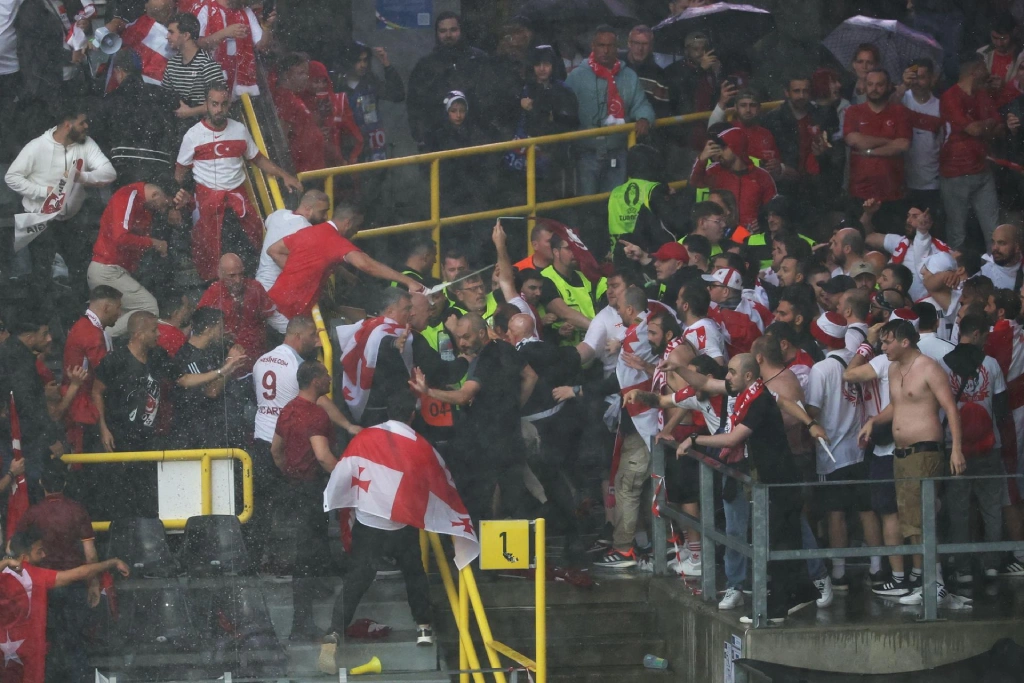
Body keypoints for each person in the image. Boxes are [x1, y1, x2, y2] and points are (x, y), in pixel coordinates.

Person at [671, 353, 820, 623]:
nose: (726, 377)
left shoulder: (759, 401)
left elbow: (733, 437)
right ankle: (803, 592)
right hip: (765, 478)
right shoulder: (741, 388)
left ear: (748, 376)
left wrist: (694, 438)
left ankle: (777, 606)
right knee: (782, 538)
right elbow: (706, 384)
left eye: (731, 373)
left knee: (778, 541)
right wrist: (679, 368)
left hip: (780, 479)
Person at [93, 311, 245, 515]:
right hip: (119, 434)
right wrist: (103, 428)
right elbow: (96, 391)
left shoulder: (158, 356)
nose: (159, 334)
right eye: (153, 330)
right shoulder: (116, 360)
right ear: (138, 333)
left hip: (148, 435)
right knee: (121, 491)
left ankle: (147, 532)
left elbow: (184, 379)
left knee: (147, 492)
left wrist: (222, 372)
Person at [858, 320, 964, 604]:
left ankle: (935, 581)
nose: (883, 347)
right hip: (900, 453)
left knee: (922, 518)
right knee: (910, 521)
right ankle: (924, 580)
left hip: (925, 451)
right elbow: (897, 404)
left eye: (888, 341)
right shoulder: (893, 369)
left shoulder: (929, 368)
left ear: (905, 342)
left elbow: (951, 408)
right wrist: (873, 421)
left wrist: (956, 451)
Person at [324, 391, 436, 647]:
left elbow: (346, 470)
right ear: (412, 414)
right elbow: (427, 482)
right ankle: (423, 627)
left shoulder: (366, 438)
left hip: (369, 522)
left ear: (387, 411)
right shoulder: (418, 443)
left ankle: (334, 630)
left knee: (358, 577)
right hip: (402, 522)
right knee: (414, 572)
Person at [410, 313, 536, 522]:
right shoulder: (505, 347)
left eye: (466, 337)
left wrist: (428, 392)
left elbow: (463, 396)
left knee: (479, 498)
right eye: (458, 337)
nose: (462, 343)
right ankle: (518, 547)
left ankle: (483, 548)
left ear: (480, 333)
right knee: (512, 495)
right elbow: (531, 376)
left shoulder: (482, 361)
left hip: (485, 440)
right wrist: (513, 408)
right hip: (510, 433)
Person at [250, 315, 357, 561]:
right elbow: (320, 400)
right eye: (312, 336)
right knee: (306, 511)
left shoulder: (262, 361)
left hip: (263, 438)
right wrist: (348, 425)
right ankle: (308, 566)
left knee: (266, 505)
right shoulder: (297, 368)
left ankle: (264, 561)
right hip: (289, 444)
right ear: (298, 336)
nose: (318, 342)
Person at [175, 82, 303, 281]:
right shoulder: (193, 135)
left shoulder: (239, 130)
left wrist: (284, 175)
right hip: (209, 206)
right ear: (206, 104)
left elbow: (258, 159)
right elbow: (180, 172)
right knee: (212, 254)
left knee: (250, 249)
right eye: (215, 104)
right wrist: (177, 200)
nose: (219, 109)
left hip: (238, 204)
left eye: (224, 104)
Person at [5, 103, 116, 306]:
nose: (87, 126)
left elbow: (109, 173)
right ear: (68, 124)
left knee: (79, 264)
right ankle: (44, 312)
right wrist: (43, 192)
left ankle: (78, 309)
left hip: (71, 219)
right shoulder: (37, 146)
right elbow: (12, 177)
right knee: (41, 269)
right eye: (82, 122)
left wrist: (83, 177)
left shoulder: (87, 144)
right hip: (39, 218)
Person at [804, 311, 883, 592]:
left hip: (832, 452)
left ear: (820, 337)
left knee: (835, 512)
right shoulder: (856, 358)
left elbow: (812, 411)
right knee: (867, 509)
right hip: (861, 449)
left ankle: (838, 573)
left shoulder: (821, 369)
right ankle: (876, 567)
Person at [2, 528, 130, 683]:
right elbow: (80, 573)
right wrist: (112, 562)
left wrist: (6, 562)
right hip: (26, 653)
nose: (44, 555)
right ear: (24, 557)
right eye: (39, 551)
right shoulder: (31, 575)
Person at [266, 206, 424, 327]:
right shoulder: (334, 240)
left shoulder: (309, 231)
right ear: (348, 223)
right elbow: (366, 265)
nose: (356, 233)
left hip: (273, 303)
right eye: (357, 227)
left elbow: (274, 250)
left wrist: (302, 272)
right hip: (288, 312)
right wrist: (408, 281)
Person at [269, 361, 336, 640]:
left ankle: (307, 610)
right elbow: (322, 456)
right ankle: (303, 622)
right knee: (308, 554)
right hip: (311, 490)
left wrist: (289, 472)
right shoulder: (316, 415)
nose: (330, 378)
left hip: (293, 488)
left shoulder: (288, 409)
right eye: (326, 375)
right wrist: (350, 480)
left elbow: (276, 450)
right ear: (316, 381)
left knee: (305, 552)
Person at [15, 466, 99, 683]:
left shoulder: (32, 513)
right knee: (75, 640)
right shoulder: (77, 510)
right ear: (64, 484)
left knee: (46, 639)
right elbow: (90, 555)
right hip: (74, 582)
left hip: (44, 586)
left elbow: (18, 551)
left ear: (41, 483)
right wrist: (94, 583)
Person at [943, 309, 1008, 585]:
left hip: (954, 447)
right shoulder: (991, 364)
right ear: (978, 333)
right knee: (991, 505)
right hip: (988, 445)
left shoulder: (943, 364)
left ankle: (964, 568)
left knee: (959, 509)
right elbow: (1002, 408)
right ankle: (993, 564)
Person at [565, 25, 655, 195]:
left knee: (614, 203)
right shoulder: (576, 77)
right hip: (586, 154)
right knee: (587, 205)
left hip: (618, 152)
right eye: (601, 45)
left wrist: (644, 118)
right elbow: (564, 110)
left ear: (617, 48)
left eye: (610, 46)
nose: (605, 50)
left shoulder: (628, 76)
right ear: (593, 47)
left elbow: (641, 104)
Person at [86, 181, 175, 336]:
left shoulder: (143, 206)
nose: (163, 210)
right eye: (165, 204)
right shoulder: (129, 196)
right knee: (149, 308)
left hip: (112, 270)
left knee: (127, 318)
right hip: (107, 269)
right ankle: (96, 337)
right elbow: (120, 237)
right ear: (155, 194)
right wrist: (153, 243)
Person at [90, 49, 181, 186]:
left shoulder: (110, 100)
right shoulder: (163, 95)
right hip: (159, 165)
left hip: (122, 167)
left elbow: (99, 136)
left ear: (119, 71)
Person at [940, 56, 1003, 251]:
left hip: (982, 171)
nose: (988, 71)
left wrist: (983, 126)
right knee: (957, 231)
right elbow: (974, 129)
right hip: (955, 173)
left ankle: (996, 270)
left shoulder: (982, 94)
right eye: (984, 66)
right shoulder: (950, 96)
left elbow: (1000, 128)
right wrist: (987, 125)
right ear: (975, 70)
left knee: (993, 229)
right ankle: (956, 276)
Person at [0, 313, 62, 500]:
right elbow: (27, 402)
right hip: (24, 437)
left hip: (15, 433)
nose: (49, 338)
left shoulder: (10, 353)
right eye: (44, 334)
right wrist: (50, 437)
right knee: (29, 489)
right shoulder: (19, 360)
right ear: (28, 337)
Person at [407, 12, 489, 148]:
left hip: (476, 142)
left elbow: (491, 97)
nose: (448, 35)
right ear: (437, 34)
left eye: (453, 30)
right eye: (443, 31)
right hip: (439, 142)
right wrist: (421, 136)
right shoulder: (426, 65)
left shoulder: (479, 59)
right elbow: (415, 104)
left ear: (461, 31)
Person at [842, 69, 912, 224]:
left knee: (890, 244)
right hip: (859, 190)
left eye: (879, 85)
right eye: (870, 84)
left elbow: (903, 144)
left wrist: (868, 151)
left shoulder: (900, 112)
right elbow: (853, 140)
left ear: (888, 87)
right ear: (865, 86)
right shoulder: (854, 111)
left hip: (892, 191)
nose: (874, 89)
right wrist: (889, 141)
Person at [257, 189, 331, 333]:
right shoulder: (307, 230)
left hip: (260, 289)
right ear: (308, 209)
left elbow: (268, 224)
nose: (326, 216)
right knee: (304, 338)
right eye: (322, 212)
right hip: (275, 298)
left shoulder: (278, 215)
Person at [62, 286, 122, 456]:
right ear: (107, 307)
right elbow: (107, 374)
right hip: (82, 409)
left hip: (81, 405)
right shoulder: (90, 334)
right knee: (85, 465)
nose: (119, 314)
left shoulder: (84, 327)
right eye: (118, 308)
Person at [198, 253, 274, 373]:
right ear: (220, 275)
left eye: (241, 274)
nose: (238, 280)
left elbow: (270, 318)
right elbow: (202, 330)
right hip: (228, 365)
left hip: (258, 362)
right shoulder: (213, 295)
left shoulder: (255, 288)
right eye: (232, 276)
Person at [690, 125, 777, 228]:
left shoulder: (762, 176)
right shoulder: (714, 171)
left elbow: (773, 208)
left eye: (724, 148)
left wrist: (762, 222)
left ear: (737, 147)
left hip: (753, 237)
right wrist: (702, 159)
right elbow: (695, 182)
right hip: (721, 234)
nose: (719, 152)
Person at [863, 201, 950, 301]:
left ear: (929, 222)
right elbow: (868, 237)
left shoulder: (939, 252)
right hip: (887, 300)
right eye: (908, 216)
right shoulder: (900, 242)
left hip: (921, 307)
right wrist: (868, 214)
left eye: (915, 217)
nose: (908, 220)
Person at [335, 42, 405, 163]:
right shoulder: (338, 86)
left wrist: (386, 64)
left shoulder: (371, 82)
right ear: (349, 62)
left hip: (374, 149)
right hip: (350, 149)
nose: (363, 65)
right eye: (358, 61)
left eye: (365, 61)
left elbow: (397, 95)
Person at [195, 0, 275, 97]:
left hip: (239, 89)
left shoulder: (246, 12)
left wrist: (267, 27)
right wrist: (224, 33)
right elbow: (197, 44)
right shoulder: (206, 9)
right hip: (209, 83)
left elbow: (263, 47)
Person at [163, 12, 225, 124]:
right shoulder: (172, 64)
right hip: (175, 125)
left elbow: (222, 102)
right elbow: (164, 96)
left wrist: (191, 112)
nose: (167, 36)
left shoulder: (207, 64)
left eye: (171, 32)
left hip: (203, 128)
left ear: (186, 35)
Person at [539, 231, 599, 345]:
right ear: (556, 252)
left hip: (593, 349)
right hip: (565, 354)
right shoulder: (545, 279)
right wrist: (599, 330)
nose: (575, 252)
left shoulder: (586, 277)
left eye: (576, 248)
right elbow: (565, 313)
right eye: (569, 248)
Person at [273, 53, 328, 173]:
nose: (306, 77)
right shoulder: (284, 99)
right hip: (302, 171)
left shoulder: (294, 97)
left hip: (312, 169)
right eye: (301, 73)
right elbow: (282, 137)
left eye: (307, 73)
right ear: (286, 75)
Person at [900, 59, 943, 214]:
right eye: (914, 76)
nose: (917, 82)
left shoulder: (940, 106)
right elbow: (887, 105)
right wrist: (903, 85)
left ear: (932, 78)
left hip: (931, 180)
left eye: (922, 77)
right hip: (904, 178)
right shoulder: (902, 98)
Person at [118, 0, 175, 86]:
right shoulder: (172, 41)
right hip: (152, 91)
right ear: (169, 13)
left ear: (146, 7)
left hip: (124, 87)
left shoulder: (132, 28)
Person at [623, 25, 670, 120]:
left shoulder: (659, 74)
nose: (640, 48)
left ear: (651, 47)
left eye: (645, 44)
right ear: (629, 43)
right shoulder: (617, 63)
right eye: (636, 43)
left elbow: (661, 112)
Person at [981, 224, 1024, 290]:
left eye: (1002, 243)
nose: (995, 248)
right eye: (993, 242)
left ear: (1017, 247)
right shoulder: (985, 273)